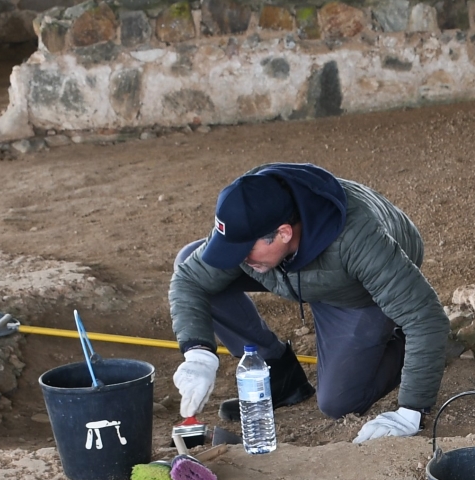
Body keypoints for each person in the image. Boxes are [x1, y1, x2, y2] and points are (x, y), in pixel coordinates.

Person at [169, 163, 451, 445]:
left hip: (356, 289)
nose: (238, 258)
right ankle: (276, 373)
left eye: (244, 250)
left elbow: (425, 317)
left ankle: (413, 345)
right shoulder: (251, 206)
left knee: (339, 401)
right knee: (191, 260)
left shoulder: (358, 239)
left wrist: (410, 411)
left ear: (283, 232)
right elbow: (190, 279)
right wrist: (199, 354)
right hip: (295, 269)